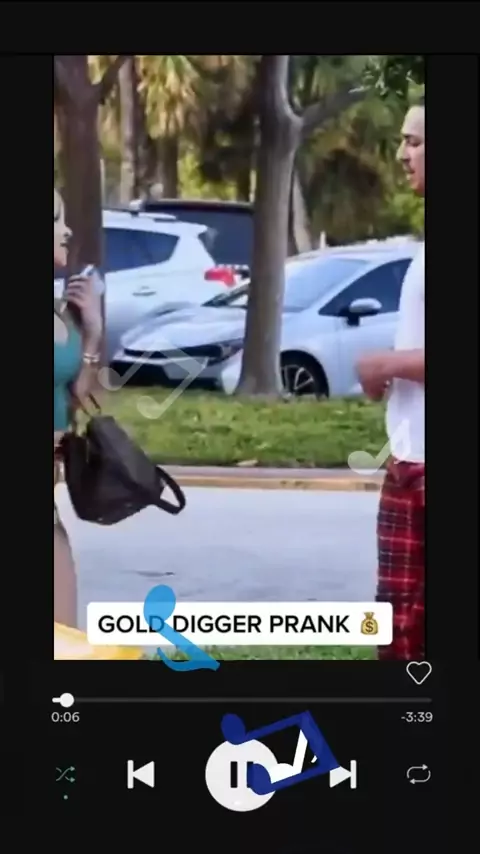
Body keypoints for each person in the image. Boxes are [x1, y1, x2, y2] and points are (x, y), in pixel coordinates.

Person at [356, 96, 425, 660]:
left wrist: (386, 365)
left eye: (416, 142)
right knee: (398, 629)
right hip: (409, 459)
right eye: (404, 140)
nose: (403, 154)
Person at [54, 188, 103, 627]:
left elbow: (76, 396)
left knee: (63, 629)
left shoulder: (60, 312)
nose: (66, 230)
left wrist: (92, 332)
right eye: (55, 219)